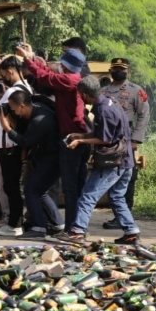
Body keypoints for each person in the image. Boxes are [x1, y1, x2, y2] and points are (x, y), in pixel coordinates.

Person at [54, 76, 140, 245]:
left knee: (88, 195)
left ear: (85, 94)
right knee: (117, 197)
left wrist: (81, 141)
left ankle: (77, 231)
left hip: (114, 162)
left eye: (80, 95)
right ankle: (131, 231)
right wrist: (81, 135)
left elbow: (105, 139)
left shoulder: (103, 110)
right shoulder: (108, 101)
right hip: (126, 159)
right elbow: (104, 133)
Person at [17, 43, 89, 230]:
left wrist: (28, 59)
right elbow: (49, 76)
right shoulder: (70, 78)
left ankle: (73, 229)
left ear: (65, 65)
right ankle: (75, 227)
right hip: (76, 136)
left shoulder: (70, 80)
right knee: (75, 187)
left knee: (71, 188)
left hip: (72, 138)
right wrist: (33, 58)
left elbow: (46, 77)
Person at [0, 90, 62, 239]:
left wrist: (7, 128)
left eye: (14, 109)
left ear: (21, 106)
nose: (14, 113)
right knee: (40, 190)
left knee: (31, 190)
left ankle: (39, 228)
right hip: (48, 157)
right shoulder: (37, 110)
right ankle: (57, 224)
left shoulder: (39, 119)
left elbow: (26, 142)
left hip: (51, 158)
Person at [100, 57, 150, 229]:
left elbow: (144, 114)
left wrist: (136, 138)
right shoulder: (104, 91)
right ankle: (117, 215)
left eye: (121, 69)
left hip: (127, 136)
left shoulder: (136, 90)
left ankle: (125, 214)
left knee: (128, 177)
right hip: (108, 136)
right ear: (110, 71)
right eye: (115, 68)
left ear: (127, 71)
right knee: (109, 174)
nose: (118, 71)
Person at [0, 55, 34, 236]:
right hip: (13, 142)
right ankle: (14, 220)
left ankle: (14, 223)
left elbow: (2, 118)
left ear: (9, 71)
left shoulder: (13, 92)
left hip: (9, 143)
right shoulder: (26, 88)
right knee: (12, 185)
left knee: (10, 185)